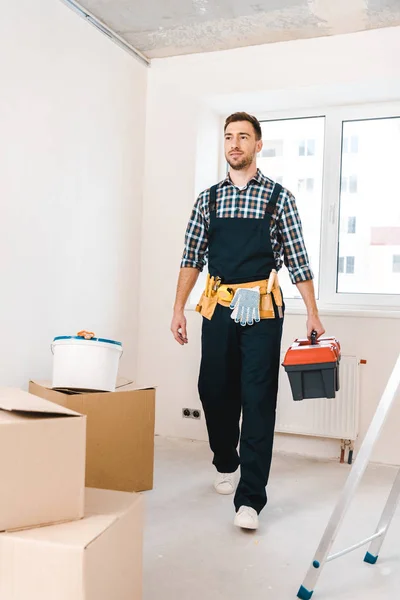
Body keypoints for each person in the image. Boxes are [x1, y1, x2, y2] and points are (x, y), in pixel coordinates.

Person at [171, 112, 325, 531]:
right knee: (213, 389)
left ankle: (251, 499)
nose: (234, 144)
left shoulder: (279, 198)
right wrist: (178, 308)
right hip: (218, 307)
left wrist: (312, 310)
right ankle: (226, 459)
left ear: (259, 145)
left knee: (258, 399)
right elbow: (191, 258)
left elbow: (298, 259)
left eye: (243, 137)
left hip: (262, 310)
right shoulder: (209, 199)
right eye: (228, 137)